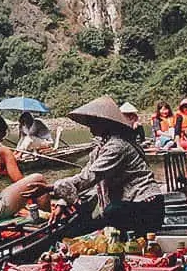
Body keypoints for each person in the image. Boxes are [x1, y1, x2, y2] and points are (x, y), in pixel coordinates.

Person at [46, 95, 166, 237]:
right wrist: (63, 201)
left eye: (93, 122)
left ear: (105, 122)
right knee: (93, 220)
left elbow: (89, 178)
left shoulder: (117, 146)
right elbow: (86, 176)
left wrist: (51, 188)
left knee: (110, 212)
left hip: (147, 207)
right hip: (130, 206)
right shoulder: (101, 148)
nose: (89, 126)